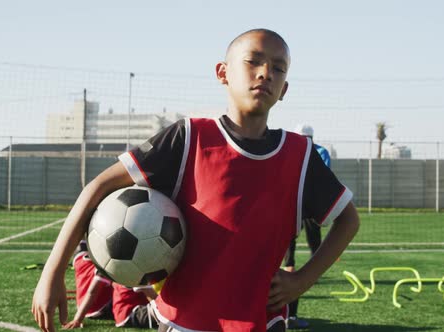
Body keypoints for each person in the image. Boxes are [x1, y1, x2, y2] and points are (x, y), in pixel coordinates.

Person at [32, 28, 360, 332]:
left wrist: (302, 279)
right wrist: (53, 271)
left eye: (278, 67)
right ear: (223, 73)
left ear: (284, 88)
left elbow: (348, 220)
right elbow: (98, 187)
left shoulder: (299, 155)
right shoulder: (189, 138)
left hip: (262, 322)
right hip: (182, 323)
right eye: (253, 62)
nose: (265, 73)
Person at [283, 124, 331, 329]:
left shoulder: (290, 150)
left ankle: (286, 315)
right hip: (306, 206)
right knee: (307, 244)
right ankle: (291, 314)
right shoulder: (318, 151)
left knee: (291, 252)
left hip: (292, 208)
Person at [63, 240, 159, 329]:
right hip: (122, 311)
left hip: (115, 307)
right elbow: (92, 292)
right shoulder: (128, 268)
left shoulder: (81, 258)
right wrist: (77, 319)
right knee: (165, 313)